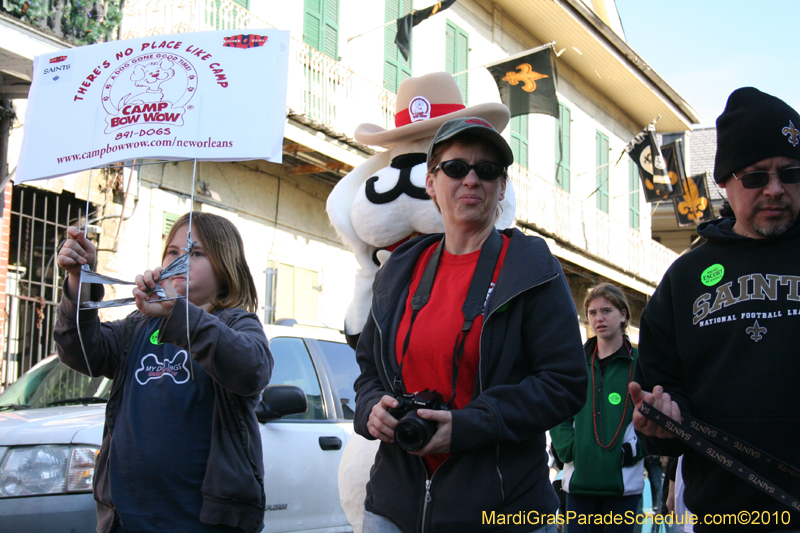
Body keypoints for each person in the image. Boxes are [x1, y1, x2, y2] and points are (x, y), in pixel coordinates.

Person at [353, 116, 588, 532]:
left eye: (487, 170)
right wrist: (373, 409)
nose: (471, 180)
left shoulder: (532, 268)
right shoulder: (399, 270)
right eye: (456, 168)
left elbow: (564, 382)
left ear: (501, 188)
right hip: (393, 509)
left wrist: (469, 426)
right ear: (431, 183)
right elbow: (369, 369)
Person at [629, 87, 800, 531]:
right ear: (725, 181)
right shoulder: (685, 279)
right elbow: (661, 386)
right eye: (756, 177)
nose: (776, 189)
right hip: (723, 514)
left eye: (791, 172)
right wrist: (663, 419)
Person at [54, 212, 273, 533]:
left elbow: (251, 370)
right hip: (128, 519)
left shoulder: (236, 323)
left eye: (195, 253)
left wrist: (180, 314)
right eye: (173, 252)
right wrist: (79, 279)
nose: (180, 260)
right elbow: (79, 352)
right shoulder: (138, 325)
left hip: (206, 521)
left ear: (226, 265)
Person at [551, 283, 644, 533]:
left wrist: (634, 450)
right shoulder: (575, 362)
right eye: (592, 312)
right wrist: (569, 448)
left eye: (607, 311)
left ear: (623, 314)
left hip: (623, 484)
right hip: (579, 484)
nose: (598, 318)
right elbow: (558, 408)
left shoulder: (642, 362)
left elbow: (653, 414)